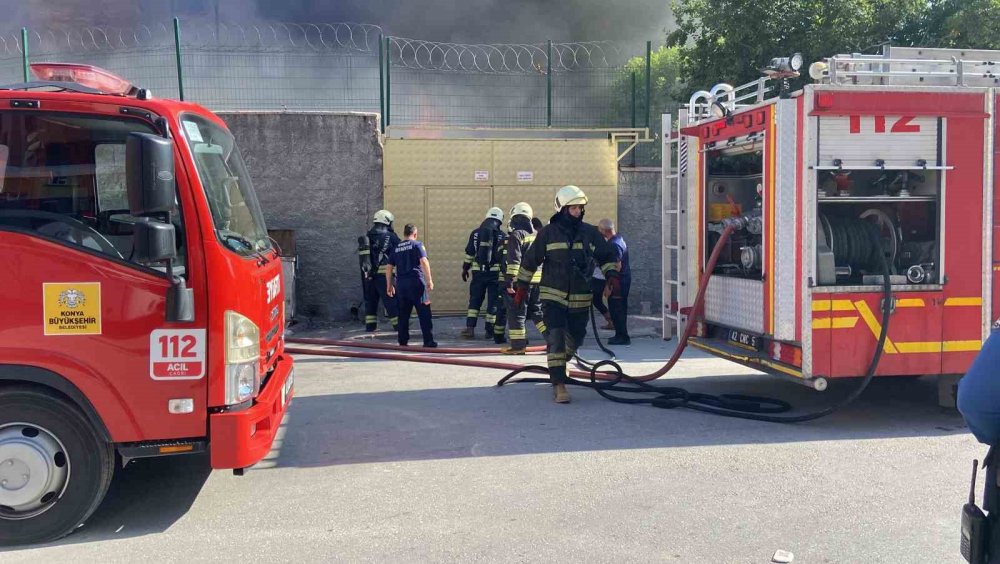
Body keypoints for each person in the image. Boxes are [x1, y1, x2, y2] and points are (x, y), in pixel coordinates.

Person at [515, 186, 622, 404]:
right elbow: (530, 260)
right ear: (563, 209)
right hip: (553, 296)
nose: (578, 212)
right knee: (556, 336)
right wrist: (522, 286)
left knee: (576, 338)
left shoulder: (590, 233)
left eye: (580, 208)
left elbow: (606, 254)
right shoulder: (548, 233)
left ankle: (558, 368)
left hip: (581, 298)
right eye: (574, 208)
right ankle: (559, 384)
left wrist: (611, 274)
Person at [501, 202, 547, 354]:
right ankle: (554, 340)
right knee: (537, 312)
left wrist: (510, 281)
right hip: (538, 281)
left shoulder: (517, 235)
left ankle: (518, 346)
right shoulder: (536, 235)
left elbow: (514, 260)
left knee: (517, 312)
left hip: (522, 282)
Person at [386, 224, 437, 348]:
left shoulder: (396, 247)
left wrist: (389, 285)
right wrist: (429, 280)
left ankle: (402, 341)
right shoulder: (417, 245)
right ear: (415, 234)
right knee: (424, 313)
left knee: (403, 314)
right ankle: (428, 341)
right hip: (416, 283)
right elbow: (424, 261)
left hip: (401, 285)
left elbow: (388, 267)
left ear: (404, 234)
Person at [460, 207, 506, 339]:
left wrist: (465, 269)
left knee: (474, 300)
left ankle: (470, 328)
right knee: (493, 303)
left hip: (478, 273)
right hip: (494, 275)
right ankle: (489, 331)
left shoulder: (475, 233)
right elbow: (504, 257)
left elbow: (470, 253)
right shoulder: (502, 235)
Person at [359, 210, 400, 332]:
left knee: (370, 301)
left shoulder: (367, 236)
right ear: (387, 221)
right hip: (385, 275)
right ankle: (399, 326)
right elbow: (399, 251)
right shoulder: (391, 236)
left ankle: (370, 326)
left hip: (368, 276)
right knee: (391, 300)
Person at [598, 218, 631, 345]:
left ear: (604, 231)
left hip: (618, 283)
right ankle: (620, 334)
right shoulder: (619, 239)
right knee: (620, 309)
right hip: (623, 280)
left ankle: (622, 337)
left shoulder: (613, 245)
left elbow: (617, 267)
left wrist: (609, 286)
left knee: (617, 309)